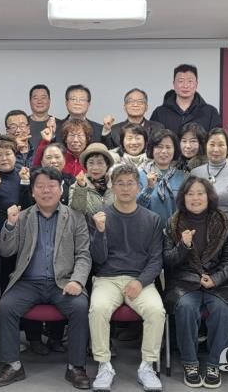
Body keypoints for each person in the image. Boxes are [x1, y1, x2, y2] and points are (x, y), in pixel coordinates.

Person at [0, 167, 92, 389]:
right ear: (32, 191)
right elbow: (6, 251)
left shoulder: (75, 217)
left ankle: (76, 367)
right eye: (41, 187)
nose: (46, 191)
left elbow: (83, 255)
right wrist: (10, 224)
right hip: (28, 282)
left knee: (80, 307)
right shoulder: (23, 216)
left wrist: (77, 281)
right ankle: (12, 365)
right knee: (6, 306)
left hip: (62, 282)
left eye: (51, 186)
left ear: (61, 189)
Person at [89, 165, 165, 392]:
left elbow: (156, 260)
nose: (125, 188)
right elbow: (98, 259)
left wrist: (140, 282)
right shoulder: (101, 215)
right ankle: (104, 365)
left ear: (139, 187)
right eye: (119, 183)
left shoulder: (152, 219)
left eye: (130, 183)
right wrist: (100, 231)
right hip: (107, 278)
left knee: (156, 310)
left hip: (140, 279)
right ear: (112, 187)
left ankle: (147, 366)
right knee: (98, 308)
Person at [163, 177, 228, 388]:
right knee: (186, 307)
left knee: (223, 310)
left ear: (209, 196)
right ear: (183, 197)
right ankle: (190, 362)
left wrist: (216, 278)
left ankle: (215, 364)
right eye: (190, 194)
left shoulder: (224, 222)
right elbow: (167, 260)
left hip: (219, 281)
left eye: (200, 193)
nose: (195, 198)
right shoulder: (173, 223)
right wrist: (183, 245)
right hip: (184, 281)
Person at [191, 128, 228, 226]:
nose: (216, 149)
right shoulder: (195, 173)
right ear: (206, 146)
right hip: (199, 227)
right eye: (212, 144)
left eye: (221, 145)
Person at [150, 64, 221, 135]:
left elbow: (216, 139)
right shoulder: (159, 113)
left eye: (190, 81)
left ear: (196, 84)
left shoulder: (210, 112)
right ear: (174, 84)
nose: (185, 86)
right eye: (181, 81)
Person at [138, 129, 188, 226]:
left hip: (175, 231)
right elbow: (136, 208)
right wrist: (149, 188)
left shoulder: (183, 177)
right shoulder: (140, 176)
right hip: (148, 230)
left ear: (175, 150)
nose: (164, 151)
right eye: (159, 147)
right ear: (152, 149)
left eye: (168, 147)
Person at [69, 143, 114, 217]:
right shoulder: (76, 187)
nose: (95, 167)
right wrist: (81, 188)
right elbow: (75, 214)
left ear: (107, 165)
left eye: (100, 163)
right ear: (85, 165)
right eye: (91, 163)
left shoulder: (117, 185)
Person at [28, 84, 56, 149]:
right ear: (30, 101)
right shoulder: (22, 125)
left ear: (49, 100)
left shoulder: (60, 124)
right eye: (35, 98)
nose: (39, 101)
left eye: (43, 98)